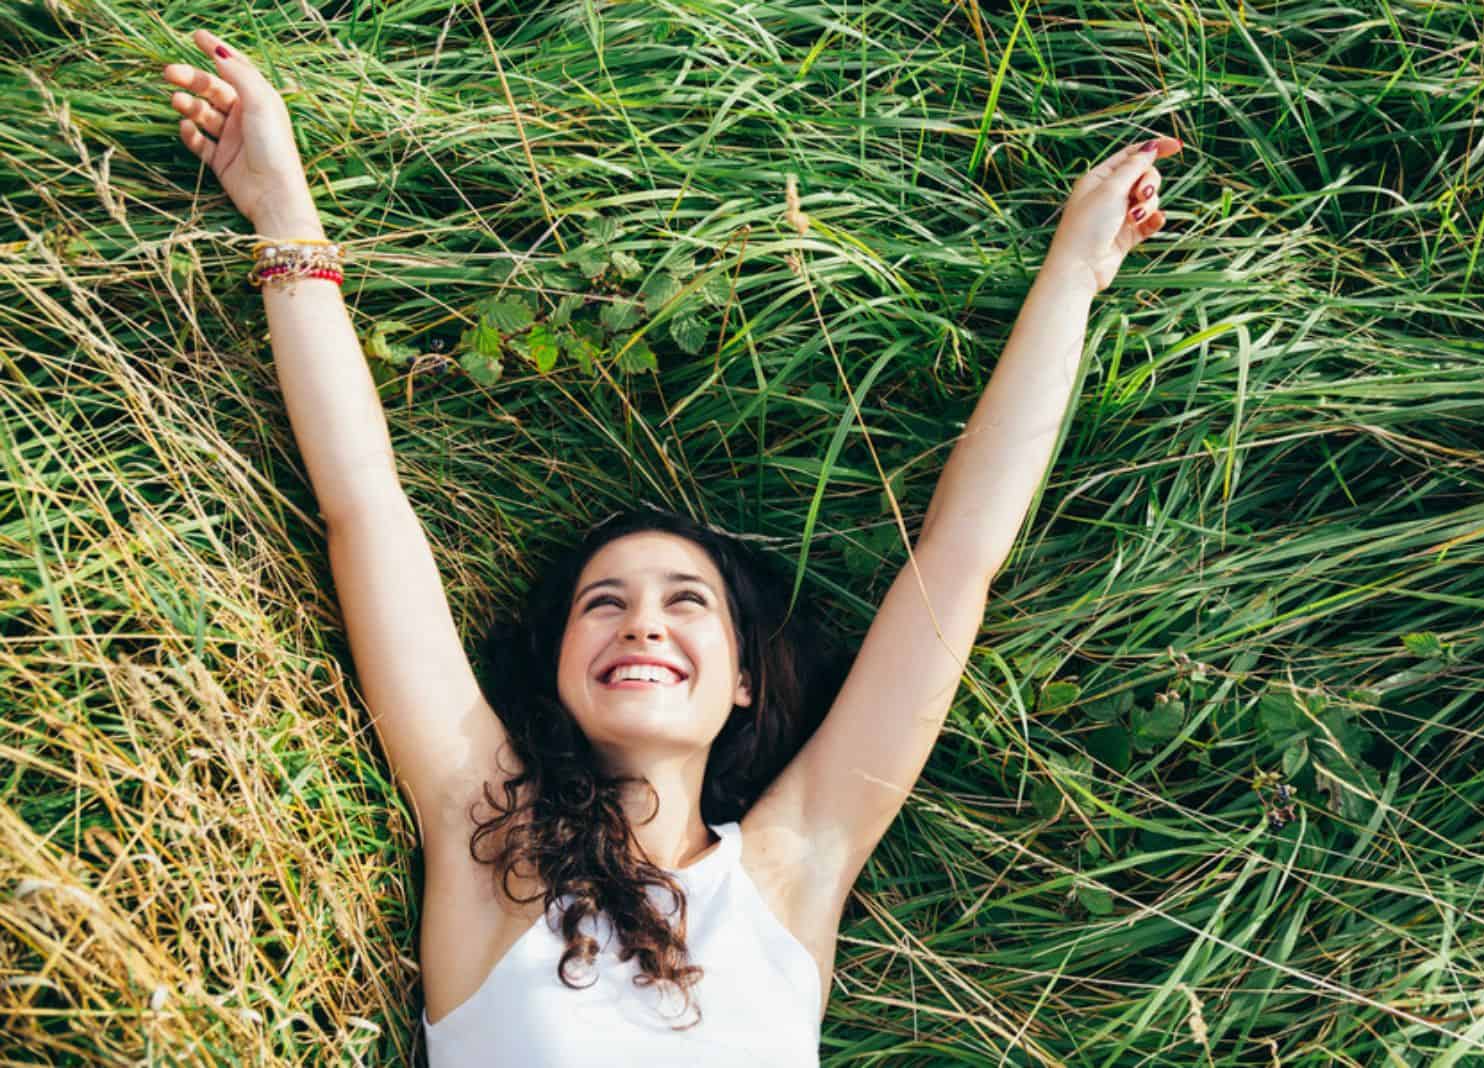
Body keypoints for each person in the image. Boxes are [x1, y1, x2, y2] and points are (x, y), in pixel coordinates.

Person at [160, 24, 1179, 1065]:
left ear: (743, 679)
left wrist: (1074, 274)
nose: (641, 616)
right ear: (555, 669)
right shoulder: (489, 842)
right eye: (601, 602)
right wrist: (283, 213)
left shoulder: (794, 866)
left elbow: (960, 557)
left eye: (686, 600)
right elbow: (364, 505)